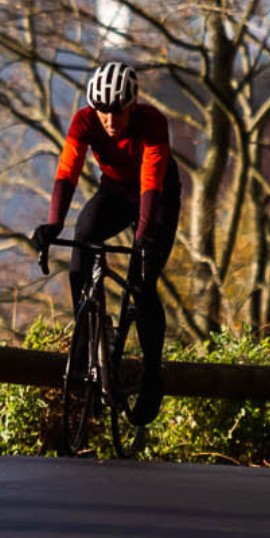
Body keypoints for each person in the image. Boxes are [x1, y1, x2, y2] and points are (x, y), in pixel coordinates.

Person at [30, 62, 181, 425]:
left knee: (143, 284)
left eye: (118, 111)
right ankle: (87, 334)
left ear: (132, 106)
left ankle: (153, 378)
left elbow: (150, 181)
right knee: (82, 241)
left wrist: (144, 238)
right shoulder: (84, 121)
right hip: (114, 191)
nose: (110, 120)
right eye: (103, 111)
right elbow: (67, 170)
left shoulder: (152, 123)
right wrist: (53, 224)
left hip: (156, 197)